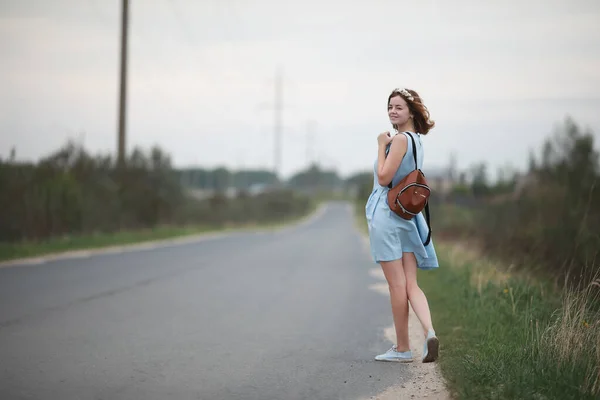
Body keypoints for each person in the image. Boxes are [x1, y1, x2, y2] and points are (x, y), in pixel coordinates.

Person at [365, 88, 440, 363]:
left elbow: (384, 178)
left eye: (398, 107)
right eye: (390, 107)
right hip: (407, 218)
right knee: (411, 284)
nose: (393, 111)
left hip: (388, 216)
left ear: (411, 112)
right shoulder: (417, 141)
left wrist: (379, 145)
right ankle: (429, 332)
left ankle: (402, 348)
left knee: (397, 286)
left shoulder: (398, 140)